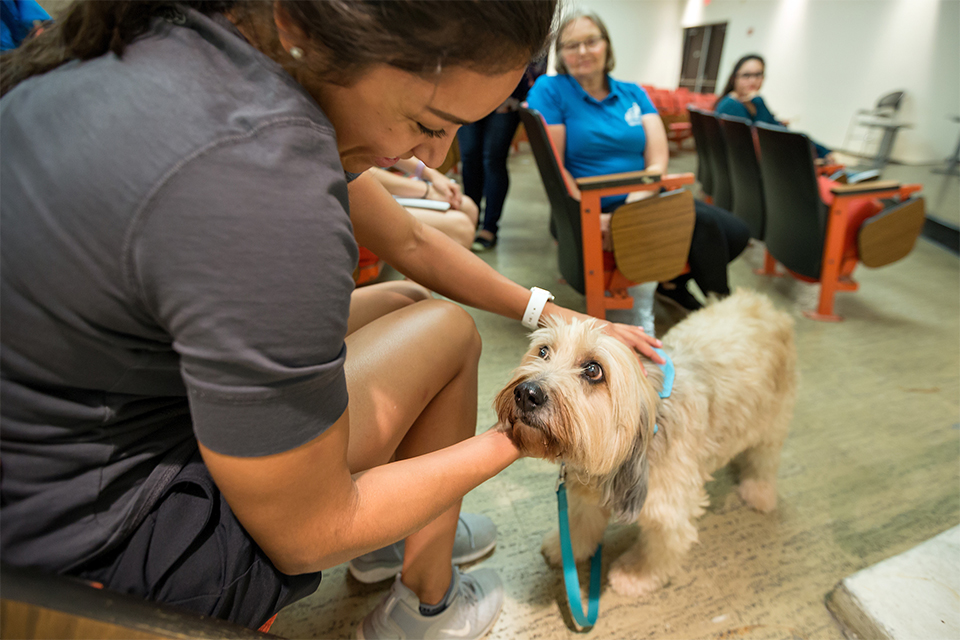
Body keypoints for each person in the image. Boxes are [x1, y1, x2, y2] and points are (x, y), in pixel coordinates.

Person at [0, 2, 664, 639]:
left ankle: (394, 540)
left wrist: (546, 308)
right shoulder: (265, 181)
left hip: (58, 469)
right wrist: (521, 431)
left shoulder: (219, 53)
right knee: (450, 332)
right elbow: (308, 532)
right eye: (429, 121)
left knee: (404, 304)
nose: (434, 158)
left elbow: (409, 242)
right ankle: (427, 607)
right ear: (314, 31)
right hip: (101, 561)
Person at [526, 11, 750, 322]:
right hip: (589, 205)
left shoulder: (632, 92)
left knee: (737, 232)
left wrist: (630, 208)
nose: (582, 51)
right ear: (560, 54)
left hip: (641, 198)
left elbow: (657, 159)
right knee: (705, 226)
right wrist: (589, 213)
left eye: (590, 41)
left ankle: (673, 283)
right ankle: (725, 314)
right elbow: (555, 167)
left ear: (606, 45)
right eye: (571, 45)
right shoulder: (551, 90)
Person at [457, 62, 543, 251]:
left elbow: (533, 54)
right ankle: (469, 219)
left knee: (493, 160)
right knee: (469, 157)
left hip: (506, 98)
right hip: (466, 96)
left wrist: (518, 95)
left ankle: (489, 227)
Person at [715, 54, 837, 163]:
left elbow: (778, 130)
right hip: (753, 169)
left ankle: (826, 154)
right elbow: (762, 142)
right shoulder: (731, 105)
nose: (753, 80)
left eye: (758, 75)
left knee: (803, 143)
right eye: (746, 75)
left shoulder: (748, 103)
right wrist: (759, 102)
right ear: (734, 77)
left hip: (756, 167)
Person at [369, 157, 480, 249]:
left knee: (468, 207)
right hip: (359, 198)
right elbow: (361, 174)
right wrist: (427, 191)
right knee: (460, 228)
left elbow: (389, 150)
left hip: (380, 188)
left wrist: (432, 174)